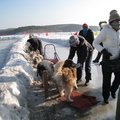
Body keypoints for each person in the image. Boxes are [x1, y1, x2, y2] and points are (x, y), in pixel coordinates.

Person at [93, 10, 120, 104]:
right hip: (107, 60)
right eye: (116, 20)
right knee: (106, 81)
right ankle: (106, 97)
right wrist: (103, 51)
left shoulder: (119, 31)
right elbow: (95, 43)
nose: (118, 22)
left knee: (118, 79)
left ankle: (113, 90)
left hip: (118, 60)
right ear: (112, 21)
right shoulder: (105, 30)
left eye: (119, 20)